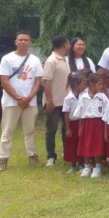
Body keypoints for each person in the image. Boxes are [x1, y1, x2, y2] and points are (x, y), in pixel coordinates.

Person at [0, 31, 43, 172]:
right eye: (20, 39)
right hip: (11, 102)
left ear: (30, 42)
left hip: (30, 102)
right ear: (15, 42)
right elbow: (4, 81)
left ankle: (32, 156)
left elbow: (37, 81)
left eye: (26, 40)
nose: (23, 42)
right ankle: (3, 160)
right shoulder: (7, 59)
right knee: (7, 131)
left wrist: (29, 97)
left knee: (30, 131)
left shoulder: (35, 60)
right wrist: (18, 98)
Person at [42, 35, 71, 167]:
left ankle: (68, 153)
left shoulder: (65, 60)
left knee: (67, 128)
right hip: (53, 102)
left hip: (65, 102)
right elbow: (46, 82)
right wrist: (49, 101)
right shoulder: (51, 60)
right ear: (64, 44)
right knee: (51, 129)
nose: (69, 46)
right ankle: (51, 156)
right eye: (68, 43)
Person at [74, 73, 107, 178]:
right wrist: (80, 129)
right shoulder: (83, 97)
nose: (101, 86)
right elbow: (80, 115)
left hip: (99, 124)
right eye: (99, 84)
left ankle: (97, 167)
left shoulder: (102, 97)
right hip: (87, 124)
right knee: (86, 145)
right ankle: (87, 167)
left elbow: (106, 114)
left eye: (102, 84)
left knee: (98, 146)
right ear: (92, 84)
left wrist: (105, 130)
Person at [62, 72, 88, 174]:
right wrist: (68, 128)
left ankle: (82, 163)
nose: (85, 86)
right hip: (72, 124)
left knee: (81, 143)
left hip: (82, 122)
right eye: (83, 84)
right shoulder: (68, 98)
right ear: (76, 85)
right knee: (72, 144)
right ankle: (73, 164)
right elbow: (66, 114)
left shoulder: (84, 96)